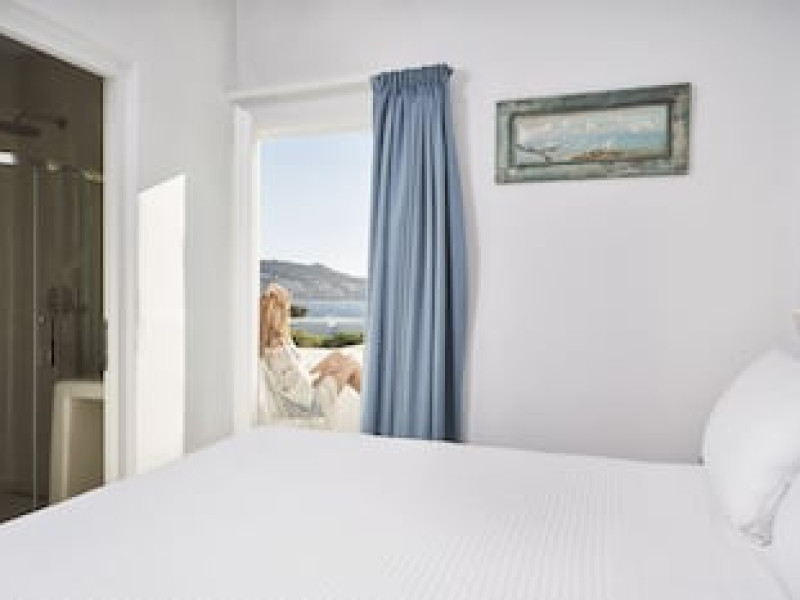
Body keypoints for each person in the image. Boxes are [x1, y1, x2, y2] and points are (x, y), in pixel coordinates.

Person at [259, 283, 362, 426]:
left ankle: (375, 404)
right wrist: (324, 374)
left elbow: (295, 379)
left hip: (303, 395)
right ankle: (378, 407)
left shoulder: (274, 343)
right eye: (287, 310)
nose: (289, 315)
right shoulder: (278, 349)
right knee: (351, 363)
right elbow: (301, 393)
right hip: (309, 406)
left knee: (339, 355)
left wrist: (324, 369)